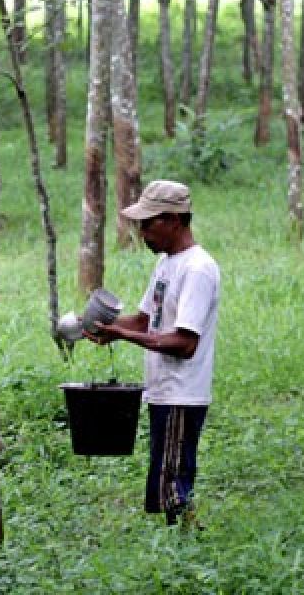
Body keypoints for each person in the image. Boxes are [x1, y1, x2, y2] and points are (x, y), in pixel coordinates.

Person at [86, 180, 221, 526]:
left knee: (174, 482)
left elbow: (184, 342)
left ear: (174, 220)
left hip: (182, 391)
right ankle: (182, 542)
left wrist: (124, 335)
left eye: (148, 224)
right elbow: (146, 320)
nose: (142, 232)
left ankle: (187, 548)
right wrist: (108, 330)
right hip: (163, 389)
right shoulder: (166, 264)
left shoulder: (197, 269)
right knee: (166, 475)